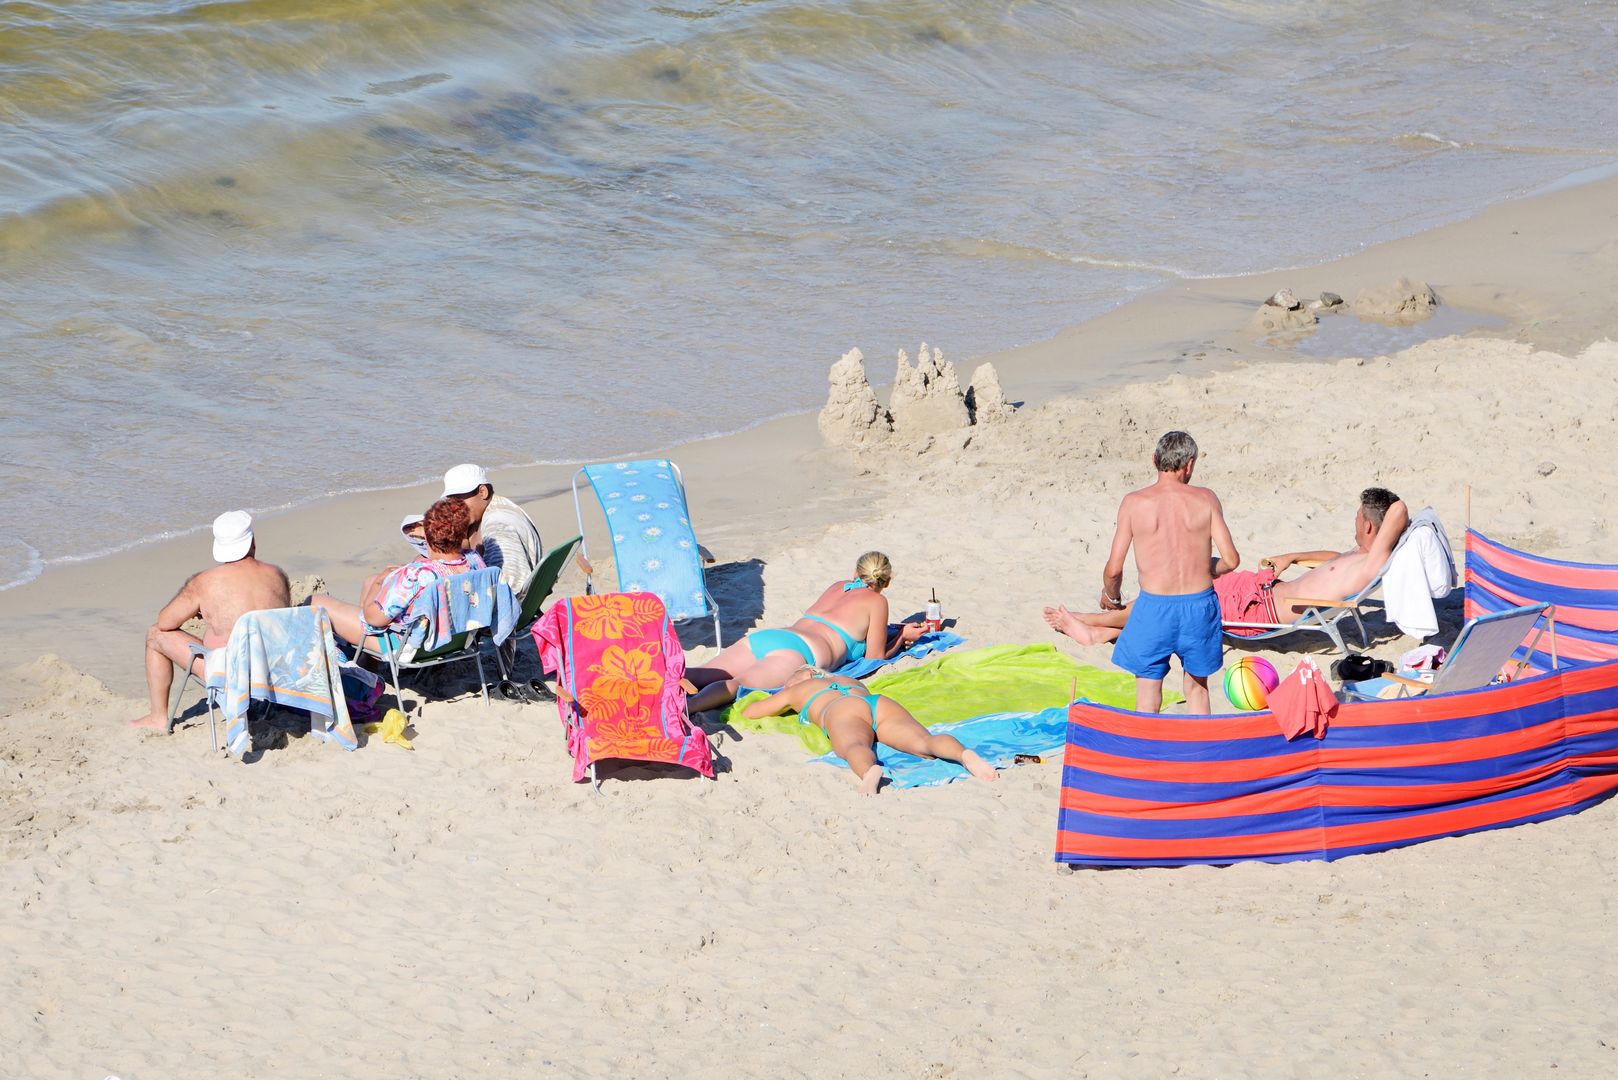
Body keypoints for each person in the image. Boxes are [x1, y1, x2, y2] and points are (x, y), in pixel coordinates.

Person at [1045, 486, 1409, 650]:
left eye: (1358, 516)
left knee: (1177, 600)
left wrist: (1405, 514)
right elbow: (1333, 559)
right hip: (1258, 592)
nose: (1354, 520)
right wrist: (1293, 557)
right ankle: (1104, 628)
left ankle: (1093, 625)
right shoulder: (1358, 554)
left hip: (1257, 612)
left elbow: (1399, 510)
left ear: (1370, 527)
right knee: (1177, 589)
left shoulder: (1370, 561)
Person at [1059, 431, 1239, 715]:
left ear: (1154, 460)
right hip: (1199, 606)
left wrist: (1112, 597)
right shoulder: (1206, 499)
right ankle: (1199, 756)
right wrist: (1202, 567)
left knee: (1148, 690)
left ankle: (1148, 756)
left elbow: (1114, 568)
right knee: (1197, 689)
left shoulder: (1134, 502)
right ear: (1189, 464)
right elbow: (1230, 560)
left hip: (1154, 608)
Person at [685, 551, 925, 713]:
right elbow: (875, 658)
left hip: (774, 636)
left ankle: (655, 682)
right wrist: (902, 638)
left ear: (855, 573)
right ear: (887, 581)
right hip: (799, 653)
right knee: (737, 685)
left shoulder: (839, 586)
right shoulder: (877, 602)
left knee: (703, 673)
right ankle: (690, 707)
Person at [129, 511, 290, 729]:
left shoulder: (205, 582)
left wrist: (200, 606)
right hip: (276, 669)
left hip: (232, 675)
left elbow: (166, 622)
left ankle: (158, 717)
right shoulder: (277, 574)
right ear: (253, 542)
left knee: (155, 634)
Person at [744, 667, 998, 795]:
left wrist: (786, 697)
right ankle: (964, 755)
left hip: (840, 709)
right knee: (924, 741)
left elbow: (752, 712)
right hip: (877, 702)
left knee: (854, 746)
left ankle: (869, 771)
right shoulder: (849, 680)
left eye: (790, 679)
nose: (785, 685)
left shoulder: (797, 689)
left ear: (808, 673)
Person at [310, 498, 484, 653]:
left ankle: (355, 669)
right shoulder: (475, 561)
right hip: (454, 639)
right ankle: (366, 662)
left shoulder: (418, 575)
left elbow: (373, 619)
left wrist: (378, 583)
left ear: (428, 536)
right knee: (370, 581)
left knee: (316, 601)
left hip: (409, 645)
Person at [442, 463, 542, 601]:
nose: (455, 508)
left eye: (459, 500)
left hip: (506, 611)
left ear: (483, 492)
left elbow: (510, 585)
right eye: (450, 502)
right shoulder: (499, 506)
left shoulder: (498, 525)